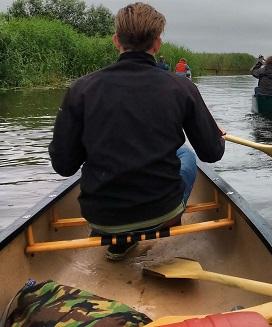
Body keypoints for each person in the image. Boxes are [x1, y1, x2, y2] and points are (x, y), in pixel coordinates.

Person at [48, 2, 225, 261]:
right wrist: (215, 135)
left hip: (101, 218)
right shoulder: (182, 87)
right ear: (157, 44)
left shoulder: (81, 89)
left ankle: (120, 242)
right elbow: (211, 154)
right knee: (186, 154)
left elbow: (64, 166)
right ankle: (162, 223)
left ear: (116, 40)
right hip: (161, 212)